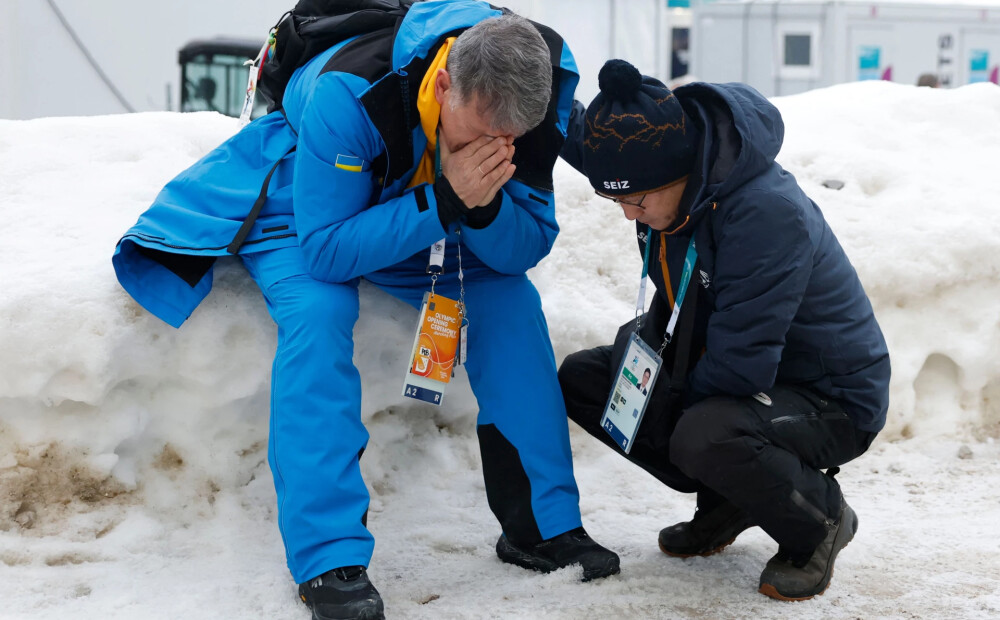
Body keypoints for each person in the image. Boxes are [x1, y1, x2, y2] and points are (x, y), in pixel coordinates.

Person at [112, 4, 619, 619]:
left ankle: (543, 525)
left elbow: (525, 247)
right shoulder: (349, 94)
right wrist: (446, 199)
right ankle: (327, 558)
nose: (495, 149)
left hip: (431, 209)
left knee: (510, 302)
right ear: (443, 85)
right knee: (318, 314)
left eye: (508, 140)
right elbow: (325, 251)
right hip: (309, 206)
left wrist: (482, 206)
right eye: (479, 134)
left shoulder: (532, 97)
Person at [558, 60, 890, 602]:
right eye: (617, 200)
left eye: (637, 200)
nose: (628, 216)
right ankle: (733, 498)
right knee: (587, 380)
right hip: (739, 371)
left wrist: (668, 409)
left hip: (828, 395)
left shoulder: (765, 214)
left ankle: (818, 521)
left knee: (702, 434)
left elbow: (741, 363)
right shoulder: (665, 177)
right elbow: (584, 139)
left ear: (682, 171)